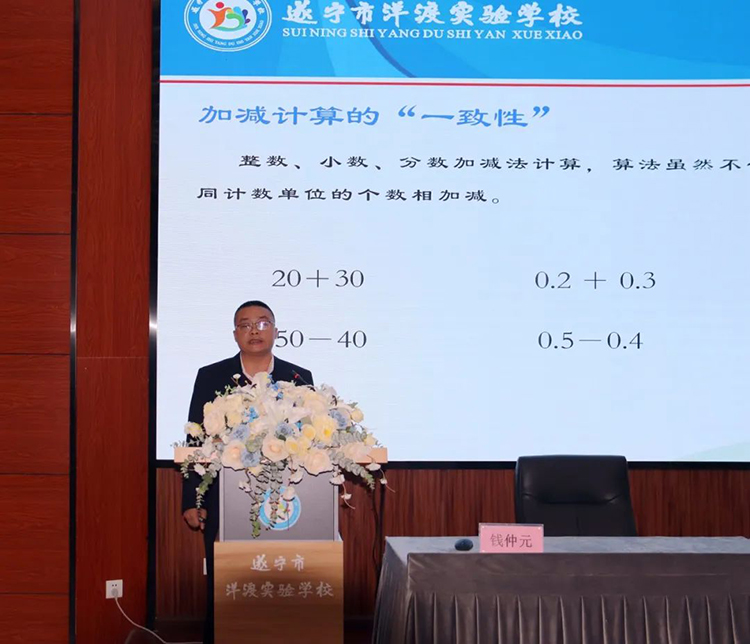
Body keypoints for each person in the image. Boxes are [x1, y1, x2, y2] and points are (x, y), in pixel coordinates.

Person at [181, 300, 313, 643]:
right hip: (224, 497)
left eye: (263, 323)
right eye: (245, 324)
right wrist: (192, 498)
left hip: (286, 504)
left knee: (283, 585)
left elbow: (312, 441)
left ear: (276, 331)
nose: (255, 330)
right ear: (235, 334)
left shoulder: (298, 378)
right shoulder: (211, 376)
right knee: (226, 584)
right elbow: (195, 440)